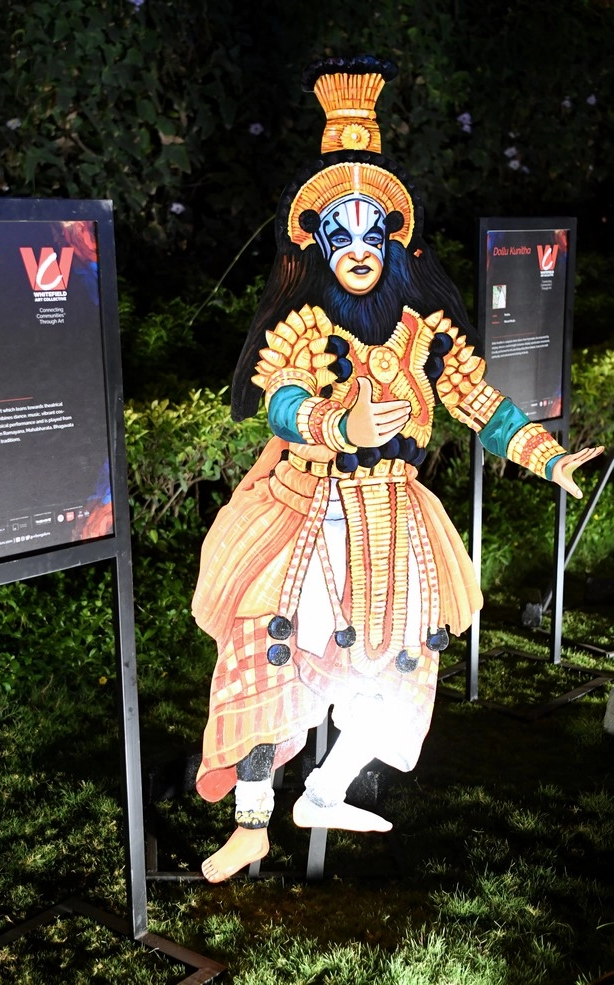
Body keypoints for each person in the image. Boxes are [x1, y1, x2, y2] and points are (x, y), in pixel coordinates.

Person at [192, 55, 603, 884]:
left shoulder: (423, 332)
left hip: (397, 521)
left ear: (394, 241)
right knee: (272, 654)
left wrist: (548, 455)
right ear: (316, 243)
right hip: (308, 514)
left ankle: (328, 788)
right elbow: (281, 403)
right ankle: (251, 823)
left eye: (371, 232)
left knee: (405, 665)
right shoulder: (305, 326)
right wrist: (337, 423)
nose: (356, 248)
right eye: (339, 233)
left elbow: (480, 402)